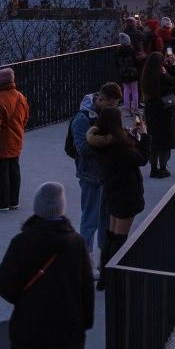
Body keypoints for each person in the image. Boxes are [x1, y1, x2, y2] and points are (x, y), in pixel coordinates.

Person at [0, 182, 94, 349]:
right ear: (62, 209)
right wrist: (84, 321)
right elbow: (86, 289)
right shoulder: (76, 243)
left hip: (30, 327)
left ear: (37, 209)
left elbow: (5, 285)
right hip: (67, 330)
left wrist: (26, 301)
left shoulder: (21, 242)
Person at [88, 107, 148, 290]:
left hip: (113, 190)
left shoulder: (100, 142)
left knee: (112, 235)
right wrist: (144, 136)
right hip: (126, 193)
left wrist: (128, 136)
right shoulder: (118, 145)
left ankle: (105, 276)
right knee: (120, 238)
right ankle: (112, 278)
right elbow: (142, 158)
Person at [68, 82, 121, 263]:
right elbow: (82, 148)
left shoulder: (103, 113)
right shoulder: (82, 118)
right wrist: (111, 143)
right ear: (100, 99)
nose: (113, 109)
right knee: (90, 219)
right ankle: (86, 260)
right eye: (110, 105)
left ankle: (103, 259)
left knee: (105, 219)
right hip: (90, 175)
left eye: (115, 106)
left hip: (106, 174)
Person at [0, 67, 31, 212]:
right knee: (14, 170)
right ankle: (14, 201)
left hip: (1, 142)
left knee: (1, 172)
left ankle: (3, 202)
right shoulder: (21, 97)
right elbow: (25, 118)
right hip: (16, 139)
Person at [140, 50, 175, 178]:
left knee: (154, 139)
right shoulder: (162, 76)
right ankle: (163, 168)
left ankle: (153, 168)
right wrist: (173, 65)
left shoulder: (146, 75)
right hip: (164, 109)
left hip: (151, 110)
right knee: (165, 141)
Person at [116, 34, 140, 115]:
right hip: (132, 72)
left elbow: (117, 63)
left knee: (126, 90)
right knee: (134, 90)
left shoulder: (118, 50)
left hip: (123, 72)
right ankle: (135, 108)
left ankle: (127, 109)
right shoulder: (131, 50)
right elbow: (136, 61)